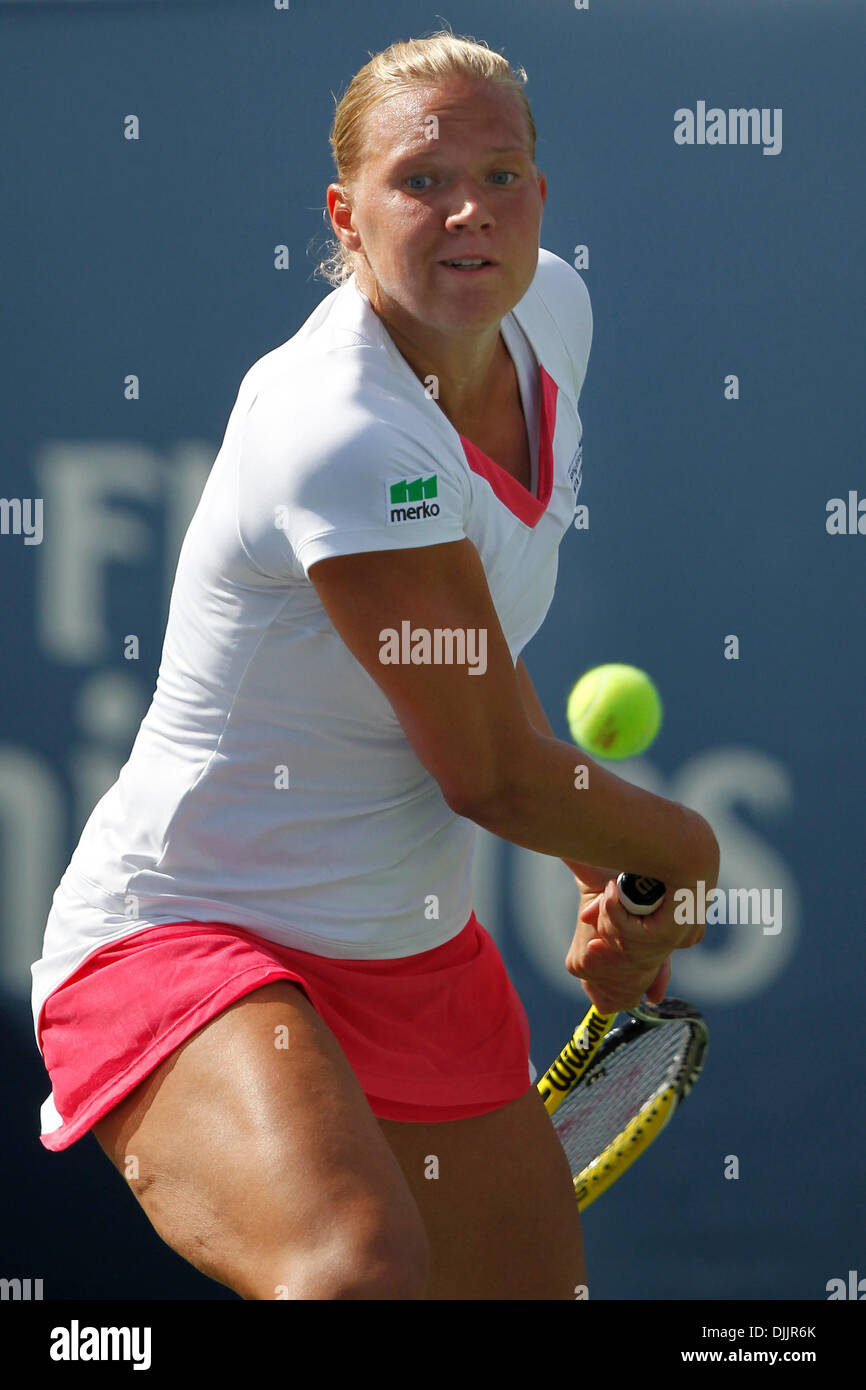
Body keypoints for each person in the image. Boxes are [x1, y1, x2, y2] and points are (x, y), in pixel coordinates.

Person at [30, 29, 719, 1301]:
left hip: (409, 950)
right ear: (347, 216)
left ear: (541, 198)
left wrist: (606, 864)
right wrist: (680, 854)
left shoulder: (551, 314)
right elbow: (492, 773)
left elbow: (466, 655)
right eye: (421, 180)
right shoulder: (341, 429)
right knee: (353, 1274)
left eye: (502, 174)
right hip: (192, 935)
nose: (470, 211)